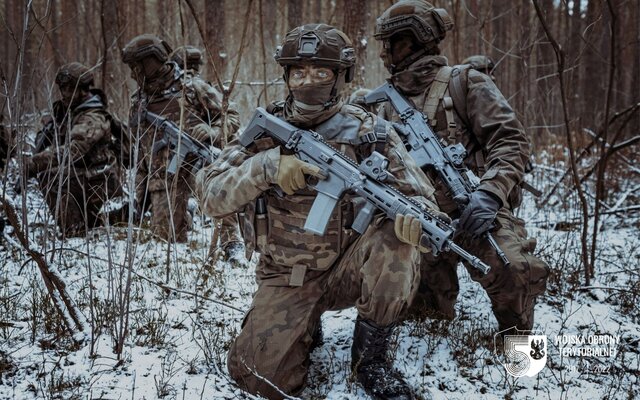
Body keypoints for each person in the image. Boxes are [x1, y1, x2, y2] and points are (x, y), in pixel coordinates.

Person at [197, 23, 443, 400]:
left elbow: (421, 197)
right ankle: (303, 325)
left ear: (340, 76)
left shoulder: (370, 133)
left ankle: (370, 360)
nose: (308, 81)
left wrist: (420, 223)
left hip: (349, 267)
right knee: (257, 377)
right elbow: (210, 194)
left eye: (321, 72)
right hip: (287, 274)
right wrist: (267, 166)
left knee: (398, 236)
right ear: (287, 76)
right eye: (299, 72)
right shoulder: (265, 131)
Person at [374, 0, 549, 334]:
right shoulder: (381, 102)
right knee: (421, 310)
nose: (384, 53)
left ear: (414, 39)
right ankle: (430, 318)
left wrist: (491, 193)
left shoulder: (465, 82)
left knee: (512, 268)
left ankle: (516, 341)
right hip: (416, 219)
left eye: (391, 43)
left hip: (475, 209)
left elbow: (511, 142)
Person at [122, 34, 243, 251]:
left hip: (203, 167)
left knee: (220, 198)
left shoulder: (192, 88)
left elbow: (232, 115)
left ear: (151, 61)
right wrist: (140, 194)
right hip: (164, 179)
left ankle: (231, 244)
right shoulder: (139, 101)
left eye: (136, 66)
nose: (133, 73)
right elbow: (140, 149)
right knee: (164, 244)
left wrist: (213, 131)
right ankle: (184, 227)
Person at [25, 62, 122, 238]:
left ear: (82, 90)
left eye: (68, 89)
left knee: (51, 176)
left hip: (100, 179)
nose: (64, 94)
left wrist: (35, 163)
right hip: (84, 176)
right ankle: (91, 221)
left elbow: (73, 150)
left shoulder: (93, 116)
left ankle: (75, 230)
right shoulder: (67, 112)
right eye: (62, 89)